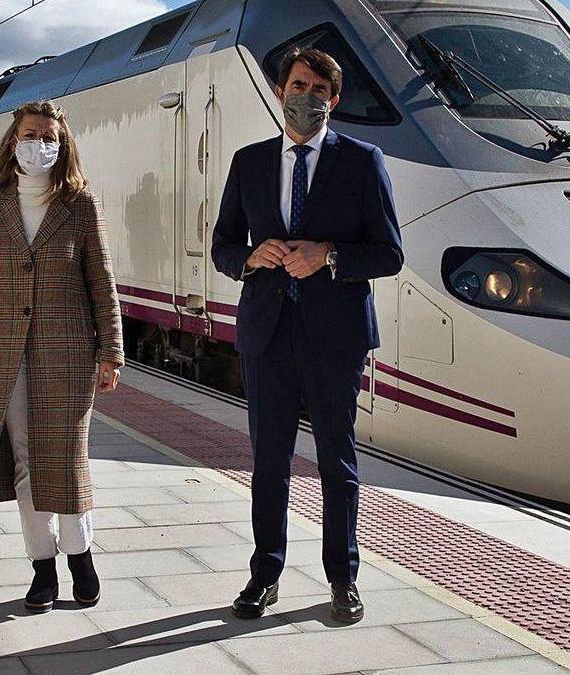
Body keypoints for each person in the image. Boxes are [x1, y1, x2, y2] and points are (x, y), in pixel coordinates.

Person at [211, 48, 403, 624]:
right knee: (268, 463)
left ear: (334, 99)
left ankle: (342, 579)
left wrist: (330, 256)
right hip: (267, 336)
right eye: (299, 84)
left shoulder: (363, 162)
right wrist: (251, 257)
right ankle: (264, 575)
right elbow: (223, 246)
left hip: (335, 340)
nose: (309, 96)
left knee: (336, 462)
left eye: (321, 89)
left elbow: (390, 254)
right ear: (279, 90)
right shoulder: (249, 162)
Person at [0, 101, 124, 613]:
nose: (40, 144)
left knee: (68, 460)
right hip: (6, 353)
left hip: (69, 352)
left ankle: (81, 556)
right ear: (13, 141)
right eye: (31, 134)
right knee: (26, 460)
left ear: (62, 143)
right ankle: (42, 568)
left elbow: (100, 280)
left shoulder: (80, 205)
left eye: (49, 136)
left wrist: (111, 351)